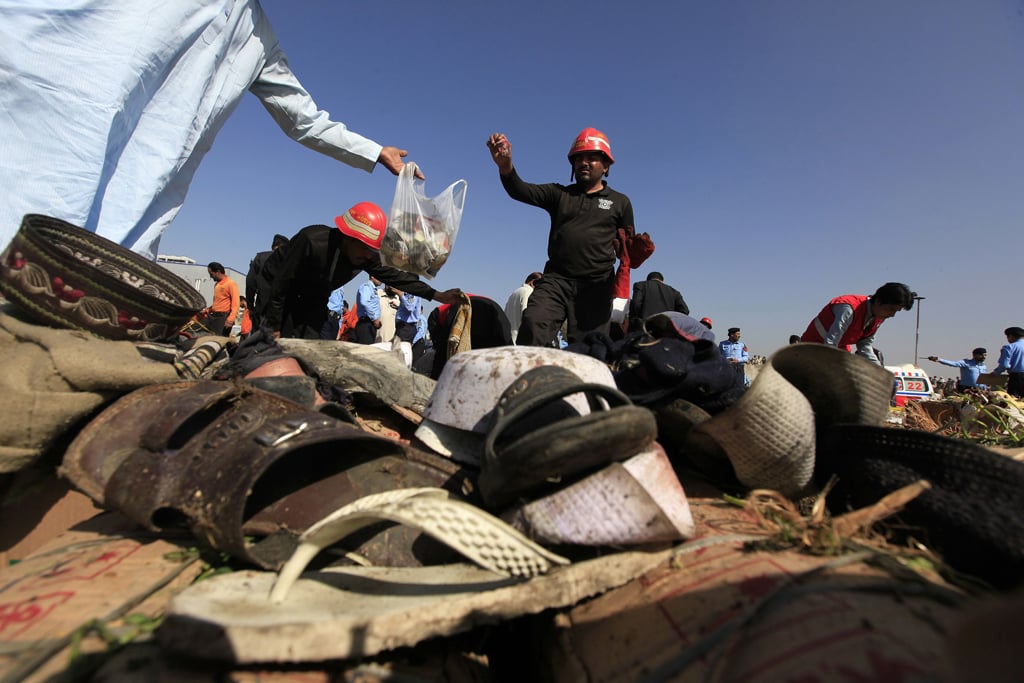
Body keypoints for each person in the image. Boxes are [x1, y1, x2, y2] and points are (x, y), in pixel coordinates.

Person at [0, 0, 424, 257]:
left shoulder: (257, 37)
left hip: (130, 215)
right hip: (38, 147)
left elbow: (304, 119)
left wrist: (374, 151)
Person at [486, 128, 636, 346]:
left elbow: (628, 247)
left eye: (592, 158)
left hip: (597, 286)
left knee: (589, 349)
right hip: (557, 280)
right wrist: (506, 166)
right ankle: (530, 378)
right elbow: (520, 190)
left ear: (606, 166)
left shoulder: (621, 202)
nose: (584, 162)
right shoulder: (560, 195)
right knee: (534, 323)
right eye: (579, 158)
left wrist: (633, 255)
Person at [258, 201, 461, 340]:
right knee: (269, 342)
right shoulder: (312, 241)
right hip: (277, 287)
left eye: (371, 250)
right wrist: (274, 326)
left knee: (308, 345)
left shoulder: (363, 256)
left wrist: (437, 295)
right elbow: (282, 283)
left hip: (314, 295)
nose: (367, 255)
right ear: (348, 237)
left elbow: (397, 277)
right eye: (364, 248)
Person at [800, 282, 916, 365]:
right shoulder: (848, 308)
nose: (892, 315)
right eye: (891, 309)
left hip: (838, 349)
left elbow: (865, 345)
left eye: (896, 311)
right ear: (878, 301)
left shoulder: (878, 317)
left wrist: (880, 373)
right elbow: (831, 342)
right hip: (813, 347)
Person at [247, 234, 288, 327]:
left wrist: (250, 306)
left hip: (261, 310)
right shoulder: (288, 260)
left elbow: (250, 283)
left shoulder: (260, 258)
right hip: (281, 313)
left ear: (273, 246)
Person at [503, 271, 543, 343]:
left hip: (509, 340)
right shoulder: (529, 292)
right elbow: (528, 317)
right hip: (520, 343)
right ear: (533, 282)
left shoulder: (514, 293)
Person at [202, 262, 240, 335]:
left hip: (223, 317)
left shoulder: (231, 284)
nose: (210, 276)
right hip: (214, 316)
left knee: (218, 340)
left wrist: (231, 319)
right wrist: (207, 310)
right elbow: (218, 303)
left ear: (218, 272)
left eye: (211, 274)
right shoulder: (217, 285)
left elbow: (236, 304)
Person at [990, 327, 1024, 398]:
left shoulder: (1009, 347)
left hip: (1017, 377)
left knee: (1015, 400)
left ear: (1011, 336)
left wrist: (996, 373)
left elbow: (1004, 365)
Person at [354, 277, 382, 345]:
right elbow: (365, 302)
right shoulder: (367, 286)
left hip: (370, 324)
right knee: (365, 351)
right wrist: (374, 318)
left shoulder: (373, 289)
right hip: (365, 323)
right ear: (372, 276)